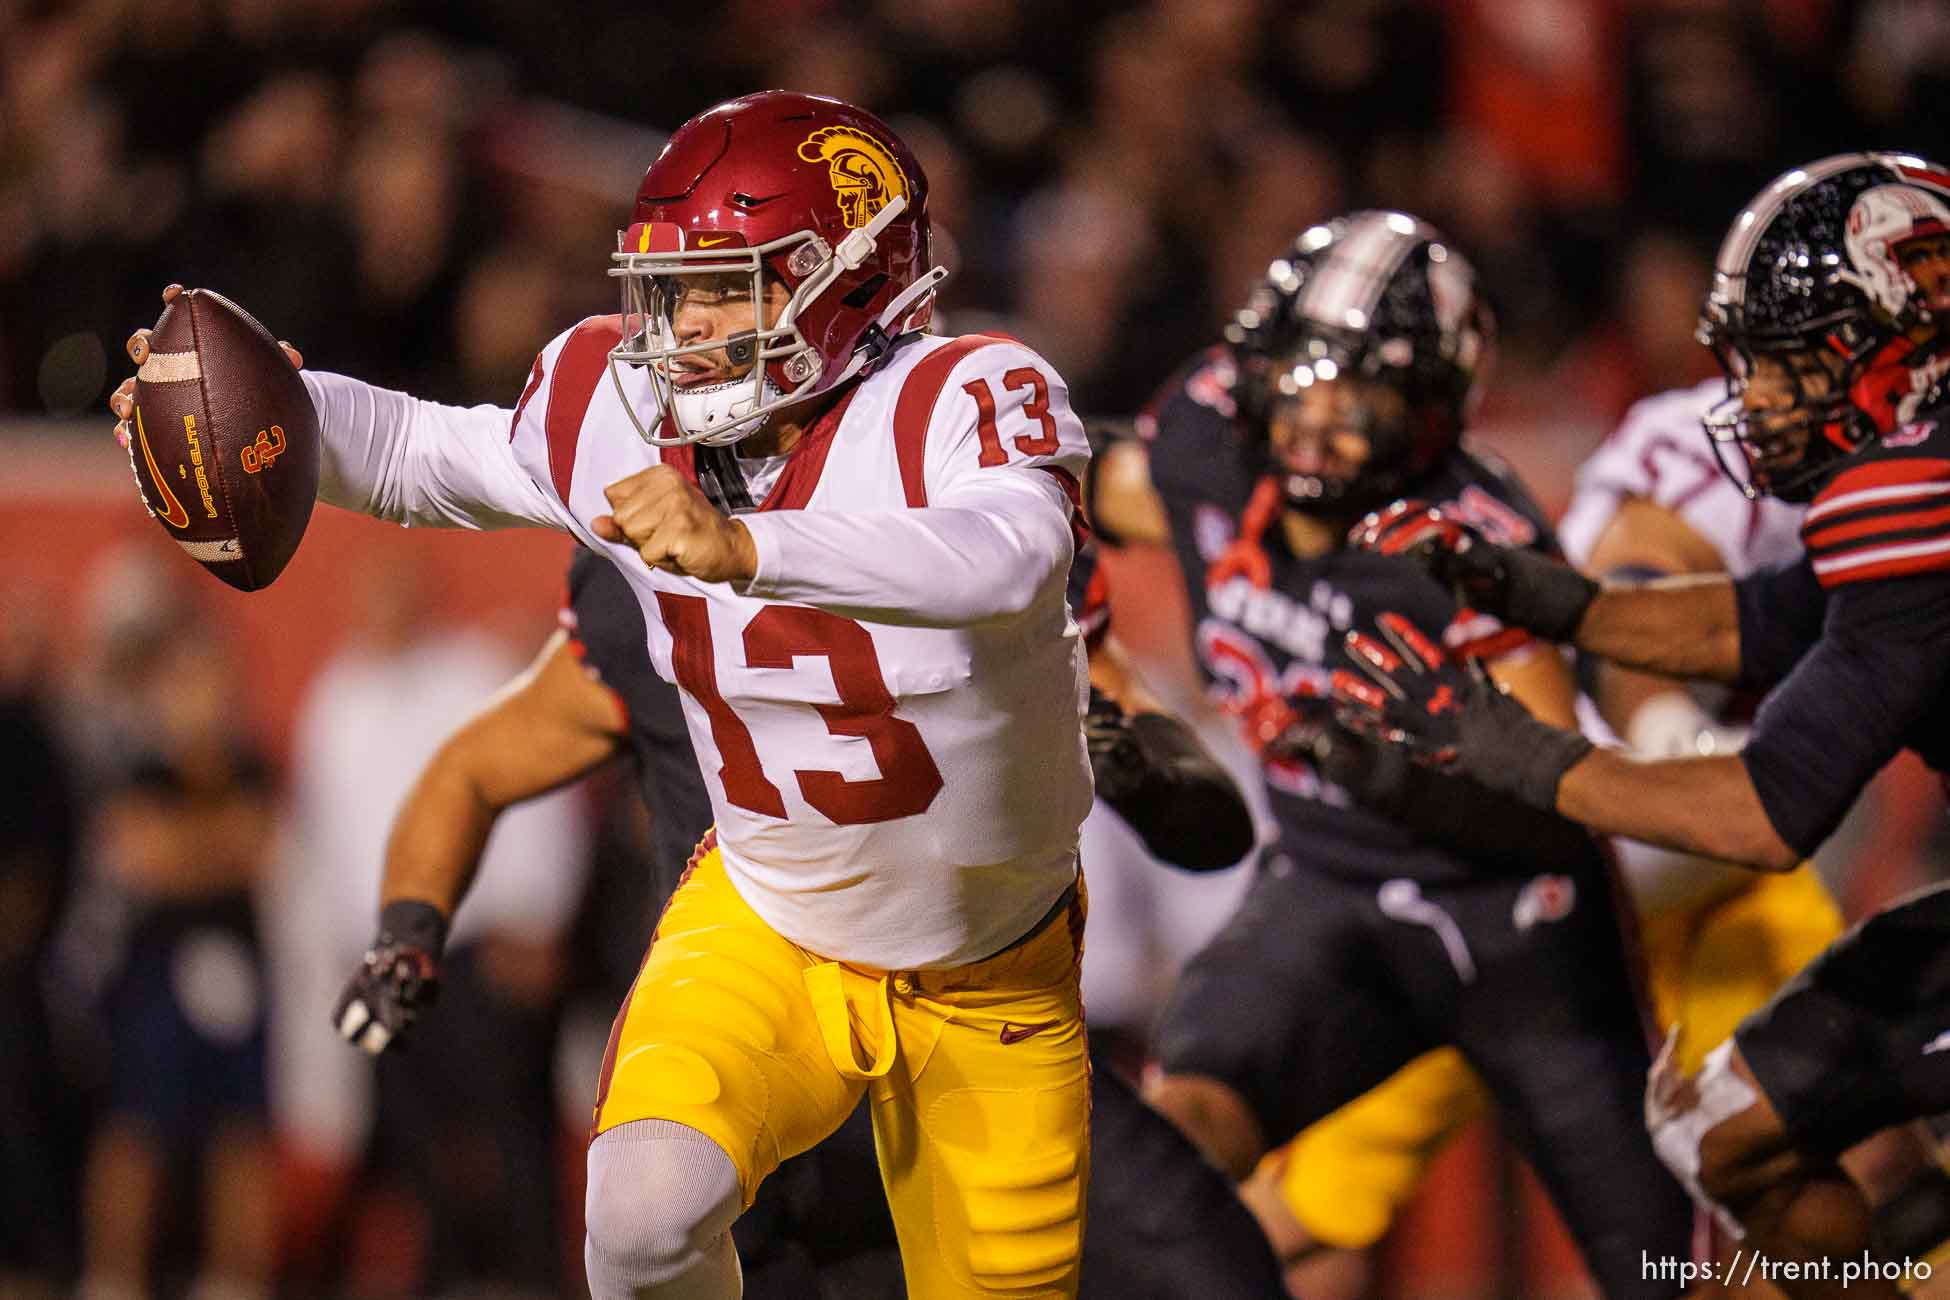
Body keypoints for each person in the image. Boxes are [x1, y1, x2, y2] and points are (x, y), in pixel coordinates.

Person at [115, 89, 1116, 1300]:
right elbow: (429, 453)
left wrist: (752, 548)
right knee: (639, 1214)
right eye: (670, 285)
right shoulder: (622, 400)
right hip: (768, 917)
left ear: (850, 277)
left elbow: (1014, 556)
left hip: (988, 968)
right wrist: (258, 416)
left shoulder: (970, 389)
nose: (682, 325)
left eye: (726, 284)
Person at [323, 538, 1278, 1299]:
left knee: (1207, 1268)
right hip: (772, 1045)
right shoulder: (651, 586)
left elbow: (1200, 816)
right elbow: (475, 766)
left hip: (977, 1014)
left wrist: (1145, 766)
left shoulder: (973, 532)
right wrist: (407, 928)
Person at [1340, 152, 1950, 1300]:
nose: (1759, 398)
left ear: (1905, 344)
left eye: (1792, 360)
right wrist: (1548, 597)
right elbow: (1768, 620)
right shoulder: (1913, 466)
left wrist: (1519, 754)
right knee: (1734, 1134)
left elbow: (1768, 808)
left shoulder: (1916, 494)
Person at [1090, 210, 1696, 1300]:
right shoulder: (1206, 439)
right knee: (1172, 1155)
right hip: (1329, 886)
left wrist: (1390, 770)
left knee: (1659, 1269)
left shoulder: (1465, 541)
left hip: (1513, 928)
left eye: (1360, 394)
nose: (1316, 423)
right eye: (1300, 381)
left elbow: (1554, 793)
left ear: (1432, 413)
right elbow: (1101, 487)